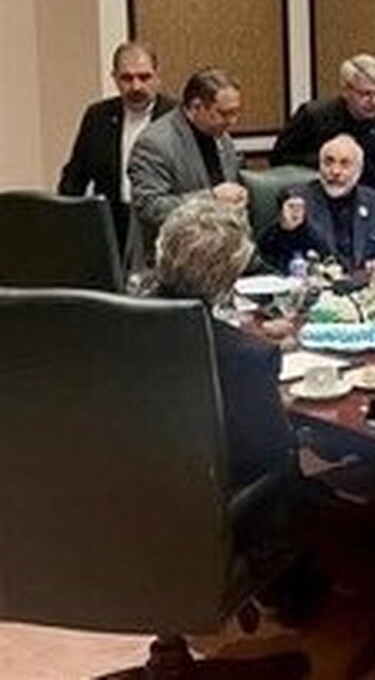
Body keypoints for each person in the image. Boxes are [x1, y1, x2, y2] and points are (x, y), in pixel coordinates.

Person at [149, 197, 295, 490]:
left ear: (161, 248)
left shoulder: (110, 327)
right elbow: (273, 456)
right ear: (229, 278)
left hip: (128, 491)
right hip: (222, 502)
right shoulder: (248, 357)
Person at [57, 41, 175, 251]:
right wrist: (67, 224)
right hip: (112, 226)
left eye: (144, 77)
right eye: (127, 78)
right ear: (114, 78)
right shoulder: (98, 116)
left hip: (164, 227)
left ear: (157, 77)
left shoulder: (176, 118)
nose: (136, 86)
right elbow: (75, 177)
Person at [127, 67, 247, 264]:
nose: (233, 121)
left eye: (236, 112)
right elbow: (150, 208)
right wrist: (211, 198)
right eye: (224, 113)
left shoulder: (222, 137)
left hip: (218, 259)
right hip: (170, 263)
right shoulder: (154, 143)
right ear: (196, 106)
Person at [270, 53, 375, 198]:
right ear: (346, 91)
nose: (374, 101)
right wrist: (328, 162)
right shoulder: (313, 116)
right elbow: (279, 157)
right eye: (365, 94)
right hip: (315, 197)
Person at [258, 134, 375, 272]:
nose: (335, 171)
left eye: (345, 164)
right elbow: (269, 253)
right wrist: (285, 228)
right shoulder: (297, 199)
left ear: (359, 170)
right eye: (328, 162)